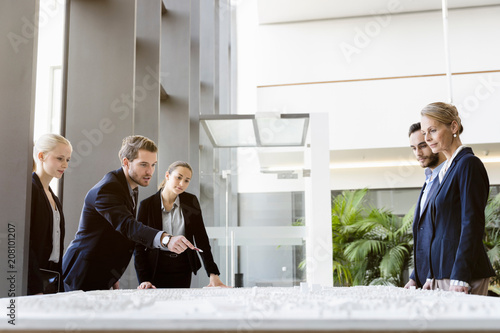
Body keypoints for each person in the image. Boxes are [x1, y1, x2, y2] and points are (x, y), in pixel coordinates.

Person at [62, 136, 196, 291]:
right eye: (143, 165)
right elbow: (127, 225)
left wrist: (112, 274)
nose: (150, 171)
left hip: (102, 272)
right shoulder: (108, 188)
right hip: (83, 273)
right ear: (126, 162)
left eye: (153, 165)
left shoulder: (131, 187)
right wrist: (166, 239)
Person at [420, 102, 495, 295]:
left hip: (462, 275)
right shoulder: (444, 171)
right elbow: (440, 229)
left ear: (453, 127)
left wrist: (461, 274)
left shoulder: (468, 164)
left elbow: (472, 222)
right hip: (443, 274)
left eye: (433, 130)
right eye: (424, 133)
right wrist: (431, 275)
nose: (427, 138)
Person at [134, 161, 227, 289]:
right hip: (155, 267)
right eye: (178, 177)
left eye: (187, 180)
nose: (182, 184)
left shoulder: (191, 201)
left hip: (183, 266)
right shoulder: (147, 205)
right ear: (167, 175)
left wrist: (213, 273)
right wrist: (143, 279)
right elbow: (139, 245)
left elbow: (201, 239)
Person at [29, 134, 72, 295]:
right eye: (60, 158)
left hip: (51, 276)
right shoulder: (31, 190)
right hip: (33, 277)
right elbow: (27, 243)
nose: (65, 165)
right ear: (41, 156)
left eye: (67, 159)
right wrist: (35, 286)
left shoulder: (53, 196)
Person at [404, 123, 446, 289]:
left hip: (446, 276)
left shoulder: (449, 177)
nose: (418, 153)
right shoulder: (428, 180)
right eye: (413, 148)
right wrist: (415, 277)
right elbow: (425, 235)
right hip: (427, 280)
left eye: (422, 146)